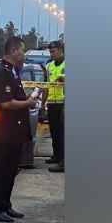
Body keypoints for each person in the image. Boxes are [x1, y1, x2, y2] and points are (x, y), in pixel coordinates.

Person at [0, 36, 38, 223]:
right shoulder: (3, 72)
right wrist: (28, 102)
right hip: (6, 130)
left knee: (11, 170)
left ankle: (6, 205)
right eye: (22, 50)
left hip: (15, 131)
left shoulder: (14, 72)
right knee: (2, 170)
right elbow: (7, 103)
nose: (24, 54)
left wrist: (28, 100)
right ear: (14, 51)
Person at [43, 41, 65, 173]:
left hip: (63, 103)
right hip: (51, 103)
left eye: (54, 51)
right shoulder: (49, 66)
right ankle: (57, 156)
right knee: (54, 132)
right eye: (50, 52)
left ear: (61, 50)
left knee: (62, 134)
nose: (52, 54)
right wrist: (42, 103)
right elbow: (45, 85)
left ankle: (63, 161)